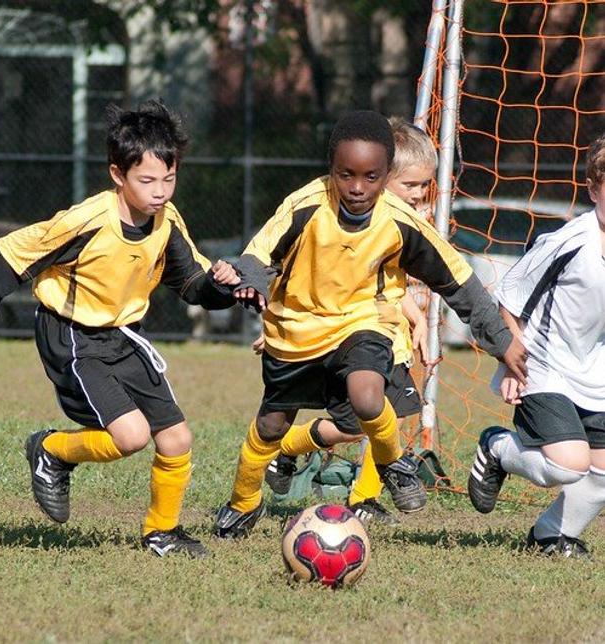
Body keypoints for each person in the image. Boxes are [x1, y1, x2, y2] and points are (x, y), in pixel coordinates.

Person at [0, 99, 249, 558]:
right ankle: (51, 449)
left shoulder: (167, 222)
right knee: (130, 436)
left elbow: (191, 283)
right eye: (147, 181)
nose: (160, 192)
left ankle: (161, 532)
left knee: (177, 438)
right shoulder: (88, 221)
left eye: (169, 179)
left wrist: (225, 287)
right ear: (118, 175)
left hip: (123, 335)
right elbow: (11, 253)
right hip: (71, 334)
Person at [214, 110, 527, 539]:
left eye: (371, 177)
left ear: (384, 175)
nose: (358, 188)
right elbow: (258, 255)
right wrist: (250, 283)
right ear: (331, 169)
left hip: (362, 323)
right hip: (297, 330)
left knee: (367, 395)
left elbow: (460, 282)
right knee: (272, 425)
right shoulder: (305, 207)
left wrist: (503, 343)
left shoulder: (400, 222)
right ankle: (243, 502)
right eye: (346, 175)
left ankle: (391, 465)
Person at [260, 117, 437, 525]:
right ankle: (289, 448)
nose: (419, 195)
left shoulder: (400, 222)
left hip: (383, 331)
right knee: (364, 420)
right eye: (410, 186)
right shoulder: (341, 217)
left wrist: (418, 319)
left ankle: (363, 497)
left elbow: (390, 285)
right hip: (353, 332)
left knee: (380, 417)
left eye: (424, 186)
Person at [467, 132, 605, 558]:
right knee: (567, 465)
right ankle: (497, 447)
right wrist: (510, 363)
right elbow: (508, 297)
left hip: (594, 371)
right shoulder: (570, 242)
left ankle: (550, 535)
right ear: (594, 188)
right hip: (544, 366)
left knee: (602, 471)